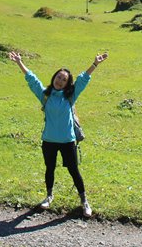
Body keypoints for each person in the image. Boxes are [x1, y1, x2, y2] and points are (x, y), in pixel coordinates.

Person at [8, 50, 108, 218]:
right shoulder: (45, 95)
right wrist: (19, 62)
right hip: (49, 141)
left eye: (64, 80)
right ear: (54, 77)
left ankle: (84, 202)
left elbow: (83, 80)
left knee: (74, 170)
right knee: (50, 168)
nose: (60, 81)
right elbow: (32, 80)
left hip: (68, 140)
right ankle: (48, 197)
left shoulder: (70, 96)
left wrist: (95, 64)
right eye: (58, 77)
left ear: (67, 84)